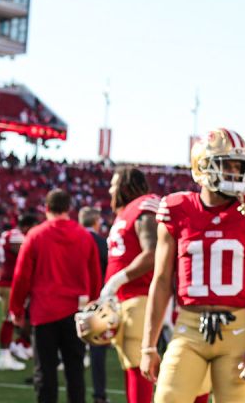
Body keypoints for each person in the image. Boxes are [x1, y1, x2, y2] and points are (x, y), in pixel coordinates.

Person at [141, 128, 245, 403]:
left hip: (237, 329)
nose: (236, 173)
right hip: (188, 327)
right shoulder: (176, 208)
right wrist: (148, 345)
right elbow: (162, 281)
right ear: (203, 166)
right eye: (228, 165)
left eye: (240, 166)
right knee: (167, 397)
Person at [9, 189, 102, 403]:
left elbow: (21, 276)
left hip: (44, 313)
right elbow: (96, 276)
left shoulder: (36, 235)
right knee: (75, 372)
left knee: (45, 373)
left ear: (46, 208)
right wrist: (93, 306)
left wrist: (16, 310)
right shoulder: (84, 236)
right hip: (76, 313)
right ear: (69, 208)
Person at [99, 166, 159, 403]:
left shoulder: (144, 207)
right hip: (124, 299)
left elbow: (152, 252)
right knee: (130, 365)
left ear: (125, 185)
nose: (110, 189)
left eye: (114, 184)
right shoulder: (125, 212)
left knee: (138, 367)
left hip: (140, 297)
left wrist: (115, 281)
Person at [0, 214, 37, 371]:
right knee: (9, 318)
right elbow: (20, 251)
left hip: (9, 281)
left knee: (19, 317)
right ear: (27, 226)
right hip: (9, 282)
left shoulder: (9, 234)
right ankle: (4, 356)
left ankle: (18, 345)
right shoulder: (15, 235)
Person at [79, 206, 110, 403]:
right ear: (97, 222)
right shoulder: (101, 242)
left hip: (71, 300)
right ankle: (99, 395)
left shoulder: (73, 239)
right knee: (98, 350)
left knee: (71, 350)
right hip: (96, 301)